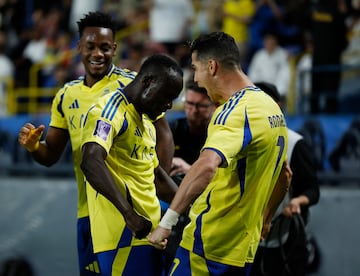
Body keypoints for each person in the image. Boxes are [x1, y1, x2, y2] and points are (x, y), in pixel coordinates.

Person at [17, 11, 175, 275]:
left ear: (114, 48)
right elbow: (51, 155)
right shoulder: (67, 95)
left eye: (104, 47)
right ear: (79, 47)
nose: (97, 54)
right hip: (88, 211)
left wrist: (157, 184)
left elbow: (164, 134)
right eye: (90, 46)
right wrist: (34, 147)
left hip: (131, 211)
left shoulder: (130, 85)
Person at [148, 31, 290, 275]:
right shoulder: (271, 109)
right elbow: (284, 176)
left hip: (208, 245)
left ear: (211, 66)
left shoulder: (233, 111)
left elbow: (207, 165)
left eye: (196, 69)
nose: (197, 79)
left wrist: (167, 223)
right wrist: (265, 220)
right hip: (243, 250)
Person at [80, 54, 183, 275]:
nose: (169, 104)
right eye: (166, 96)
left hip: (151, 235)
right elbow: (91, 160)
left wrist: (188, 207)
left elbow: (155, 176)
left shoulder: (145, 120)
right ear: (147, 82)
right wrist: (129, 214)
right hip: (124, 236)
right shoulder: (110, 110)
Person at [250, 81, 320, 276]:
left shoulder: (295, 143)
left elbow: (312, 189)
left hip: (283, 238)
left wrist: (298, 201)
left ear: (278, 107)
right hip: (247, 239)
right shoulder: (243, 140)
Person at [169, 76, 215, 179]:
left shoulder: (218, 135)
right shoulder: (172, 129)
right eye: (190, 103)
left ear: (213, 106)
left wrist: (189, 170)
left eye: (201, 106)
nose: (194, 110)